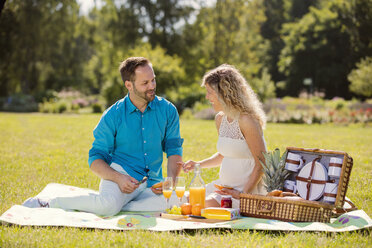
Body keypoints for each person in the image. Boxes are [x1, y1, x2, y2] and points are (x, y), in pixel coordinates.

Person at [23, 57, 183, 215]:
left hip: (152, 183)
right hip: (121, 175)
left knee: (178, 201)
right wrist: (119, 178)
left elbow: (174, 150)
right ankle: (49, 202)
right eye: (145, 83)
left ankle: (120, 204)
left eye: (153, 80)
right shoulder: (113, 115)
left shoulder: (168, 111)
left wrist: (170, 181)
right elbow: (95, 159)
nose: (152, 86)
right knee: (107, 206)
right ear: (129, 85)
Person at [180, 64, 267, 209]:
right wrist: (198, 164)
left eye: (210, 92)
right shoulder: (221, 119)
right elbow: (224, 155)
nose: (207, 97)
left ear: (225, 93)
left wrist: (243, 195)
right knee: (183, 199)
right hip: (224, 188)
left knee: (197, 206)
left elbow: (262, 163)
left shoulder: (247, 121)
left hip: (245, 192)